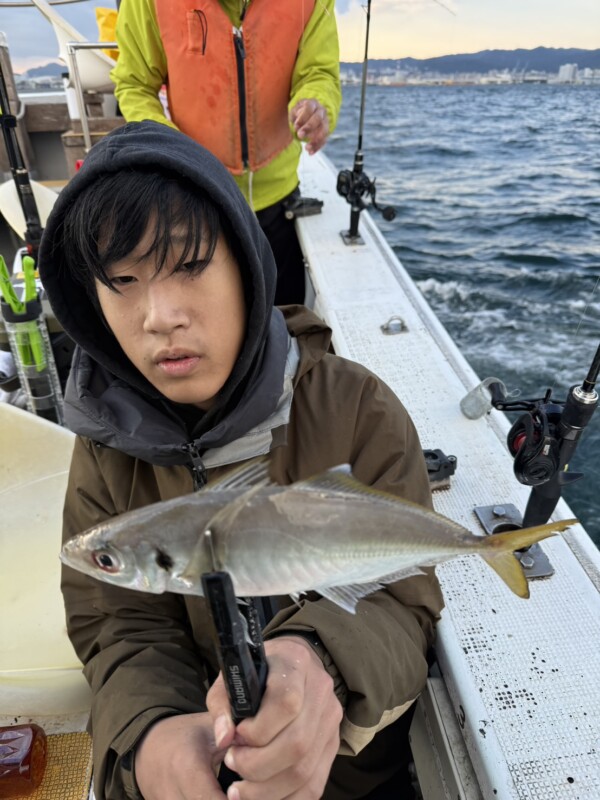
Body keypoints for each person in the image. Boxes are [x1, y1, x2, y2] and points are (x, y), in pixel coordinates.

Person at [38, 120, 443, 800]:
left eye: (190, 265)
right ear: (91, 302)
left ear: (246, 262)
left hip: (351, 777)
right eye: (123, 281)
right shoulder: (105, 449)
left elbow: (406, 598)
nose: (160, 316)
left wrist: (321, 663)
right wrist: (150, 736)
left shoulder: (355, 408)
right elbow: (118, 622)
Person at [111, 0, 342, 306]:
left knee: (284, 317)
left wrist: (317, 104)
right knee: (209, 319)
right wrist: (172, 147)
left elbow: (319, 74)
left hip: (279, 202)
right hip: (195, 198)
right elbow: (135, 84)